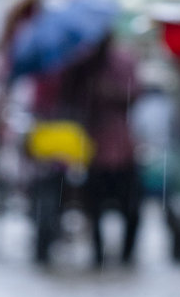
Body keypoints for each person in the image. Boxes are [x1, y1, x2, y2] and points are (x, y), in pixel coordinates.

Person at [60, 34, 142, 268]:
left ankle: (126, 256)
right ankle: (99, 255)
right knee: (94, 208)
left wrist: (109, 91)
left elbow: (135, 93)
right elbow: (71, 95)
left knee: (131, 210)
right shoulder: (81, 64)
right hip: (94, 146)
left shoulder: (124, 61)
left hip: (121, 147)